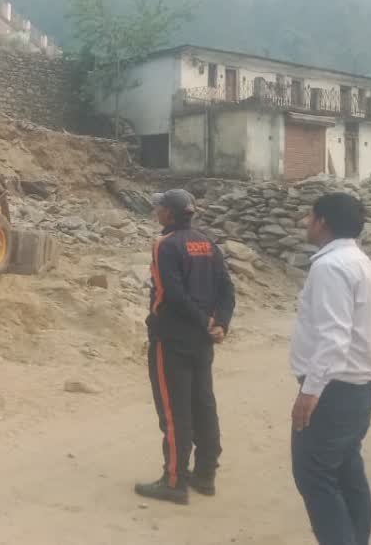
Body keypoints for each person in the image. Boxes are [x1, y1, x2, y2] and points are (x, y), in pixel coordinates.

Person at [290, 192, 371, 545]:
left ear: (322, 222)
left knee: (313, 475)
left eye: (310, 215)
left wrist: (310, 391)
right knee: (347, 472)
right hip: (357, 389)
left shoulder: (330, 267)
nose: (305, 221)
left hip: (333, 391)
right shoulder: (362, 263)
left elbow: (334, 336)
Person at [135, 188, 236, 505]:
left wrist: (201, 321)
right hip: (203, 340)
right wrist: (219, 323)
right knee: (203, 403)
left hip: (173, 338)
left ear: (169, 213)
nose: (156, 212)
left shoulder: (164, 245)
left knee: (174, 408)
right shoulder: (207, 243)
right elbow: (227, 289)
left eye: (160, 207)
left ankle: (174, 481)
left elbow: (171, 294)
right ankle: (205, 474)